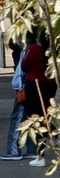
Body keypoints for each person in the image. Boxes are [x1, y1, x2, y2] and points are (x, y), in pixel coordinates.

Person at [19, 29, 55, 168]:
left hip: (34, 85)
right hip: (50, 84)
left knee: (35, 118)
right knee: (48, 113)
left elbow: (24, 65)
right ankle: (54, 138)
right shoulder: (52, 48)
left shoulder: (33, 48)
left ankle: (40, 156)